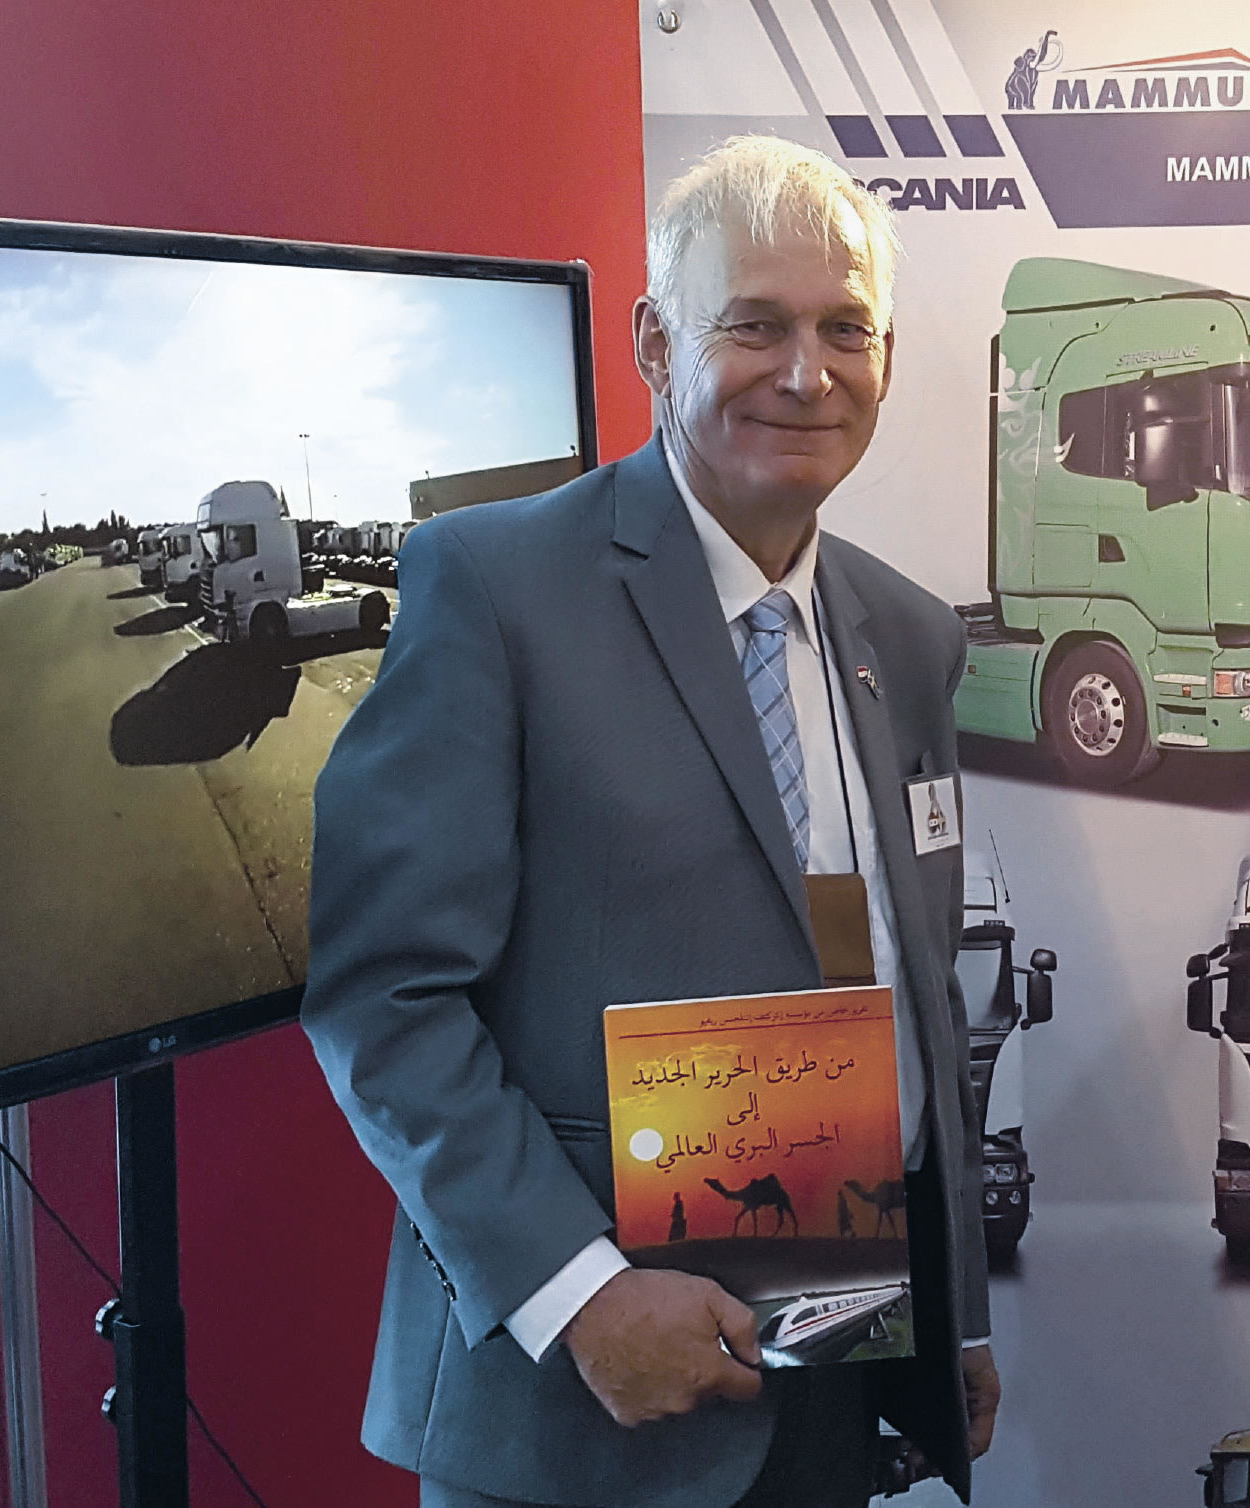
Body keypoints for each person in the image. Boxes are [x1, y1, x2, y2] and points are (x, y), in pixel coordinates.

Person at [301, 135, 997, 1508]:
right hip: (576, 1416)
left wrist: (952, 1306)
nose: (805, 374)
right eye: (755, 325)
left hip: (828, 1368)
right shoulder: (495, 587)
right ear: (654, 343)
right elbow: (383, 997)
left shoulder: (908, 637)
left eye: (844, 330)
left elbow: (892, 981)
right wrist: (579, 1294)